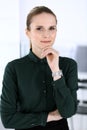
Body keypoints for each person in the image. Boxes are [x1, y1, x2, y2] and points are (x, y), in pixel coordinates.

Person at [0, 6, 78, 130]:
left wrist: (56, 71)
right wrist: (49, 116)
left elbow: (68, 112)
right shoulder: (14, 68)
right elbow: (8, 120)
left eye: (51, 28)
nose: (46, 34)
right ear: (28, 32)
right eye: (39, 28)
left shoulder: (69, 65)